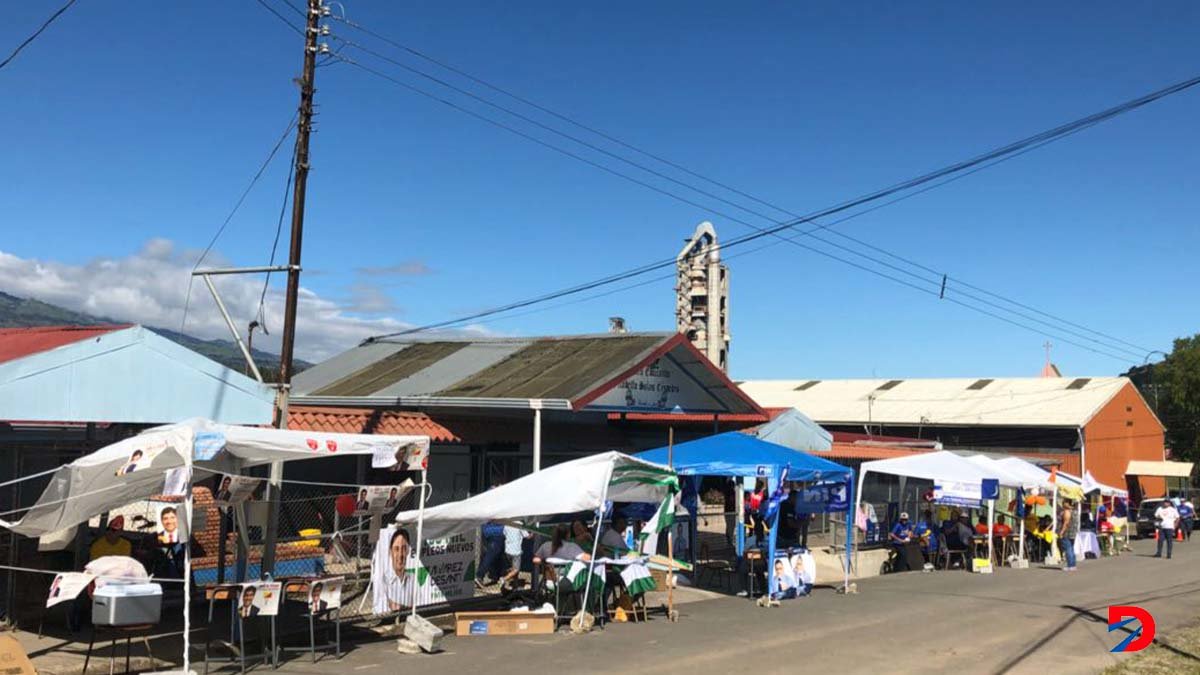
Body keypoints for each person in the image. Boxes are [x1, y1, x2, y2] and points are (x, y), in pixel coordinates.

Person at [533, 525, 590, 615]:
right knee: (585, 578)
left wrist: (545, 563)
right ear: (567, 535)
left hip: (550, 582)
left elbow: (535, 560)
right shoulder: (572, 546)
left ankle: (562, 609)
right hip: (568, 582)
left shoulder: (546, 545)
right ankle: (583, 610)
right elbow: (587, 558)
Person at [383, 528, 414, 611]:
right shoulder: (384, 580)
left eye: (403, 549)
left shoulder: (413, 580)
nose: (400, 555)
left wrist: (396, 605)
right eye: (396, 549)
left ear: (408, 551)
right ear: (390, 552)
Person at [476, 519, 508, 589]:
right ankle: (480, 575)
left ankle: (496, 575)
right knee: (491, 554)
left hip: (487, 530)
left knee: (498, 554)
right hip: (496, 532)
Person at [500, 522, 530, 591]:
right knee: (516, 570)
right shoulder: (519, 525)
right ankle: (504, 579)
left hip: (507, 550)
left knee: (514, 569)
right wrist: (533, 533)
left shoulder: (507, 524)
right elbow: (527, 536)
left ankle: (515, 586)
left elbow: (504, 533)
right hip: (516, 551)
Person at [1058, 499, 1078, 571]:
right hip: (1073, 532)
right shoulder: (1075, 511)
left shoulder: (1067, 511)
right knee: (1071, 549)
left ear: (1067, 503)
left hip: (1067, 532)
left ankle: (1070, 565)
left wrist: (1061, 532)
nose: (1062, 504)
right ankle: (1073, 565)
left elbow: (1066, 523)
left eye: (1064, 502)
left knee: (1068, 549)